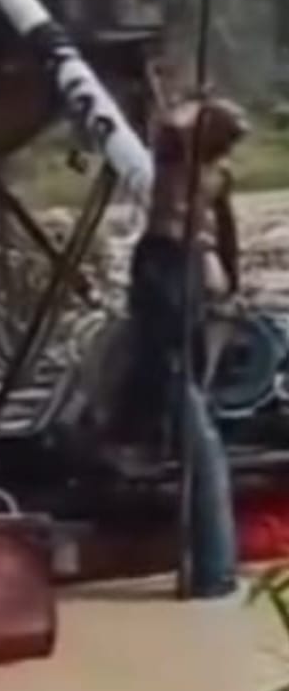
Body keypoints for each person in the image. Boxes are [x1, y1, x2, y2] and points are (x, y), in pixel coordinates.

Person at [121, 95, 249, 598]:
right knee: (177, 382)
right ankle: (150, 433)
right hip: (183, 266)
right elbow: (228, 234)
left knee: (180, 386)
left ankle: (213, 568)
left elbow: (173, 122)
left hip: (178, 267)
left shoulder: (190, 162)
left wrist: (231, 285)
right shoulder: (193, 163)